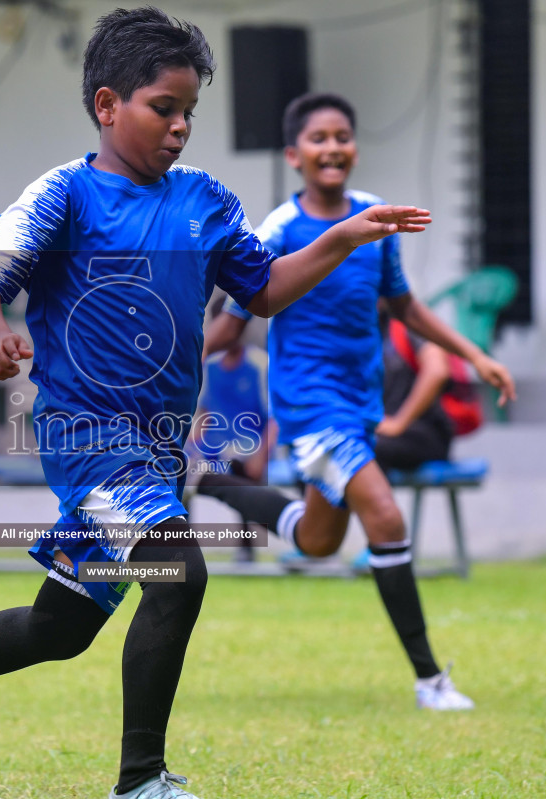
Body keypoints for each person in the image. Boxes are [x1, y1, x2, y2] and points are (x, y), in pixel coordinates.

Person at [0, 7, 432, 799]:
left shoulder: (207, 201)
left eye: (190, 110)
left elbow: (261, 292)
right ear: (108, 103)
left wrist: (339, 239)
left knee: (60, 628)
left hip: (156, 453)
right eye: (165, 107)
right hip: (85, 440)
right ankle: (138, 789)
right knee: (179, 572)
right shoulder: (66, 194)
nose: (181, 125)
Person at [197, 92, 514, 711]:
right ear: (294, 155)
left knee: (315, 539)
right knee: (387, 520)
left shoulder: (376, 219)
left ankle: (211, 483)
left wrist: (472, 356)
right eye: (318, 138)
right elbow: (234, 324)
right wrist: (154, 368)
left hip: (358, 403)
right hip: (309, 406)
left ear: (355, 148)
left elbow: (406, 309)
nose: (332, 147)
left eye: (342, 135)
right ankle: (431, 681)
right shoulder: (277, 232)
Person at [187, 316, 270, 561]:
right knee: (178, 468)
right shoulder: (210, 366)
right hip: (215, 445)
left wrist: (262, 456)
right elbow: (204, 414)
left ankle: (246, 546)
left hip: (247, 446)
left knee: (237, 465)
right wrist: (189, 448)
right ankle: (182, 548)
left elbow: (273, 419)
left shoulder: (260, 365)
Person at [375, 315, 483, 472]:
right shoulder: (363, 331)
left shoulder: (408, 325)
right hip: (382, 430)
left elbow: (437, 371)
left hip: (426, 432)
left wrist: (399, 422)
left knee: (365, 450)